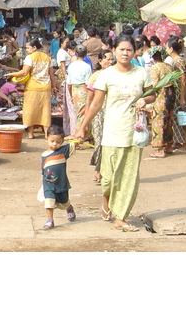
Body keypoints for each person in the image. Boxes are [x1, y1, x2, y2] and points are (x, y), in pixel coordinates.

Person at [76, 34, 155, 232]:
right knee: (109, 178)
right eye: (121, 49)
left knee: (128, 178)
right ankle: (106, 201)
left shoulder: (141, 73)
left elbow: (153, 93)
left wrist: (145, 100)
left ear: (134, 51)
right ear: (114, 51)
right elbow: (96, 103)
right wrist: (83, 126)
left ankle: (121, 216)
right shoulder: (106, 75)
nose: (125, 53)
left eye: (129, 50)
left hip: (134, 133)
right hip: (111, 132)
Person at [7, 38, 58, 139]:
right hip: (45, 86)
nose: (26, 50)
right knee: (45, 110)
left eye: (28, 48)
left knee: (30, 109)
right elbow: (51, 74)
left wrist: (11, 74)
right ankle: (47, 134)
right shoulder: (47, 58)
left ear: (34, 48)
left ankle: (30, 133)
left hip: (33, 86)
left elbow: (24, 72)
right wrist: (54, 86)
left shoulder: (30, 57)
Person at [41, 124, 77, 230]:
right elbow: (43, 170)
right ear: (46, 139)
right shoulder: (44, 155)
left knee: (64, 203)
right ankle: (50, 220)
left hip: (61, 184)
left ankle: (69, 208)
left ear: (62, 142)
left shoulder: (63, 151)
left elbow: (76, 142)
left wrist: (73, 138)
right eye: (52, 141)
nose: (54, 144)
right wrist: (42, 183)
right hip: (48, 184)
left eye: (58, 142)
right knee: (49, 202)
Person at [86, 49, 114, 183]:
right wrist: (86, 115)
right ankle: (98, 170)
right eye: (107, 59)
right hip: (98, 113)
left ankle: (108, 172)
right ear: (100, 61)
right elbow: (90, 98)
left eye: (111, 59)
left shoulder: (116, 75)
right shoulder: (95, 76)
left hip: (113, 112)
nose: (110, 61)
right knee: (99, 142)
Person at [146, 46, 174, 158]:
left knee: (159, 120)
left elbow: (154, 85)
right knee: (169, 120)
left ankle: (160, 149)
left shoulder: (155, 68)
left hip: (161, 96)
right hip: (171, 95)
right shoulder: (168, 66)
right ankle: (169, 146)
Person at [165, 36, 186, 153]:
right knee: (176, 117)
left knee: (182, 117)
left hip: (181, 92)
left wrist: (182, 98)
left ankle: (185, 144)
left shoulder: (179, 61)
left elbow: (184, 79)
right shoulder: (175, 60)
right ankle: (177, 141)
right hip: (177, 91)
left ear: (171, 48)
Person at [67, 44, 93, 126]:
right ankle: (83, 131)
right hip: (83, 89)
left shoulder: (71, 66)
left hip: (74, 90)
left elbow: (69, 83)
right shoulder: (87, 66)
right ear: (86, 54)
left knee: (78, 111)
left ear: (75, 53)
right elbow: (88, 82)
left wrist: (71, 95)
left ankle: (79, 130)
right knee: (84, 111)